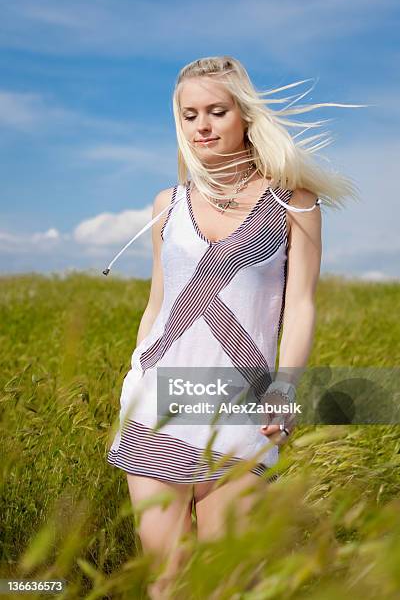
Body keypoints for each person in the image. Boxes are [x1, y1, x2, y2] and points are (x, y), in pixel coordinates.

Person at [104, 56, 360, 598]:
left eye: (216, 111)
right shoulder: (165, 205)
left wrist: (286, 387)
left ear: (244, 114)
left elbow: (302, 305)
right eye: (189, 114)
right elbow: (159, 301)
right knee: (166, 581)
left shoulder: (293, 203)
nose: (202, 126)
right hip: (157, 406)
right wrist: (134, 374)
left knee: (228, 580)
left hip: (246, 408)